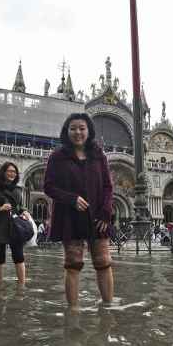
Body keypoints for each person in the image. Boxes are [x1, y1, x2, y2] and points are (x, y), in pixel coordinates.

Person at [44, 112, 114, 308]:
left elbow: (108, 186)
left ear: (89, 131)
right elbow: (48, 187)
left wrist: (106, 211)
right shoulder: (57, 156)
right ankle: (73, 312)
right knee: (73, 264)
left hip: (98, 216)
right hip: (70, 216)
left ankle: (107, 308)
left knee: (103, 263)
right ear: (67, 131)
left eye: (82, 128)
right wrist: (71, 199)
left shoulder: (98, 155)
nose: (78, 132)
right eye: (73, 128)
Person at [0, 162, 30, 284]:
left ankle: (22, 286)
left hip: (15, 225)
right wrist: (0, 208)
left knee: (19, 257)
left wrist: (24, 212)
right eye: (9, 171)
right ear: (3, 172)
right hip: (0, 225)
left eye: (14, 172)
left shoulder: (18, 190)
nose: (12, 174)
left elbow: (20, 207)